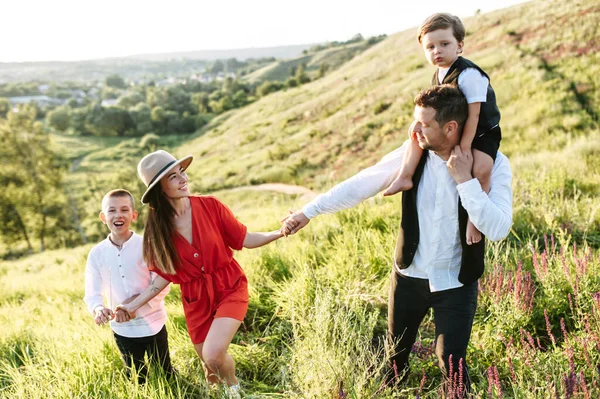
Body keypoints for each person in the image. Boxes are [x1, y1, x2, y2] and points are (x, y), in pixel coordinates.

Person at [282, 85, 512, 392]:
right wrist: (309, 211)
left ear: (451, 127)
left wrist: (465, 181)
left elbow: (498, 228)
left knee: (453, 365)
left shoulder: (493, 164)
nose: (413, 129)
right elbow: (363, 182)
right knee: (394, 357)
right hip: (408, 277)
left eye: (424, 123)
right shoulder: (411, 155)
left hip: (457, 282)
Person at [116, 150, 285, 396]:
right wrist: (132, 306)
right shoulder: (158, 230)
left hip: (229, 286)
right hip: (196, 300)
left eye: (182, 172)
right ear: (159, 189)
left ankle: (235, 390)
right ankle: (221, 391)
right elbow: (162, 278)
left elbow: (245, 238)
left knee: (213, 354)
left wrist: (280, 232)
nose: (183, 179)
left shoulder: (210, 206)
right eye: (173, 177)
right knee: (210, 370)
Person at [384, 13, 502, 247]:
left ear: (460, 45)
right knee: (416, 137)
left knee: (481, 169)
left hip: (481, 131)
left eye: (444, 44)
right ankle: (405, 176)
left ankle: (474, 220)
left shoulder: (469, 75)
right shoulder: (439, 74)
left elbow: (475, 114)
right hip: (455, 128)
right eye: (430, 47)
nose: (437, 51)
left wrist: (465, 147)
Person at [84, 189, 173, 383]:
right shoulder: (96, 253)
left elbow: (163, 283)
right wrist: (98, 309)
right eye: (112, 210)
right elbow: (92, 291)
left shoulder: (148, 244)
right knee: (137, 377)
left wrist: (136, 304)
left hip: (153, 323)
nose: (118, 215)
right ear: (103, 217)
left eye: (124, 210)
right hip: (122, 329)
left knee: (165, 374)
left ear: (133, 215)